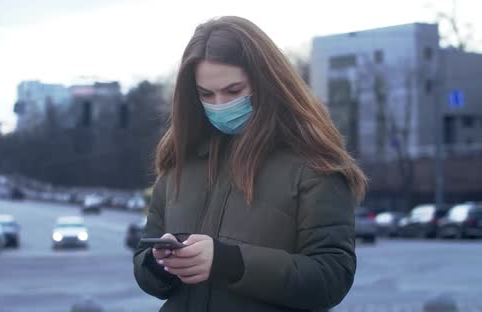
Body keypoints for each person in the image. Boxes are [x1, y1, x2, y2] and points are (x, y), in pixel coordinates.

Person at [133, 16, 367, 312]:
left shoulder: (315, 164)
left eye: (233, 91)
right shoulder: (180, 161)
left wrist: (229, 263)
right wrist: (159, 263)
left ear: (267, 83)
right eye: (206, 94)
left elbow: (330, 277)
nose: (219, 104)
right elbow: (143, 263)